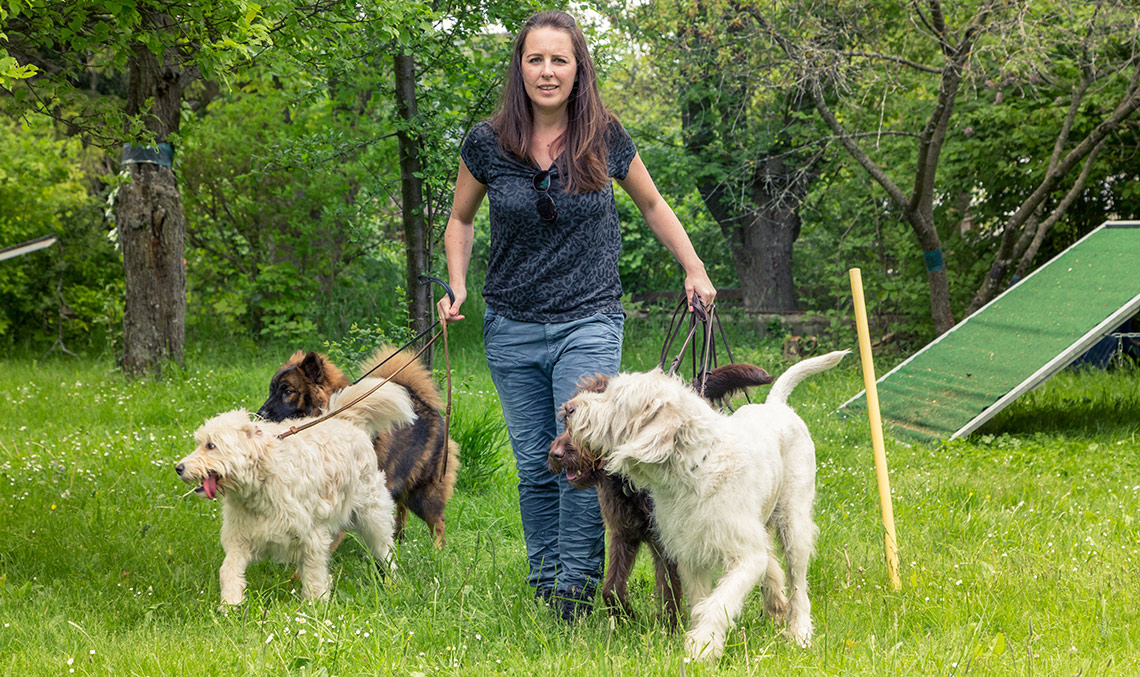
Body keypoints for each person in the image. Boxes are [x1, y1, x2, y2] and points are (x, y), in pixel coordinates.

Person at [436, 10, 716, 621]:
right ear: (520, 68)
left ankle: (576, 592)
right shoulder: (487, 142)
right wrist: (456, 285)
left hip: (588, 319)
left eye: (559, 59)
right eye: (535, 59)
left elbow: (651, 202)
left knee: (581, 458)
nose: (547, 71)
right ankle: (546, 583)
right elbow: (460, 221)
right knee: (538, 460)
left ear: (577, 68)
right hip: (510, 326)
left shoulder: (604, 135)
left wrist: (694, 268)